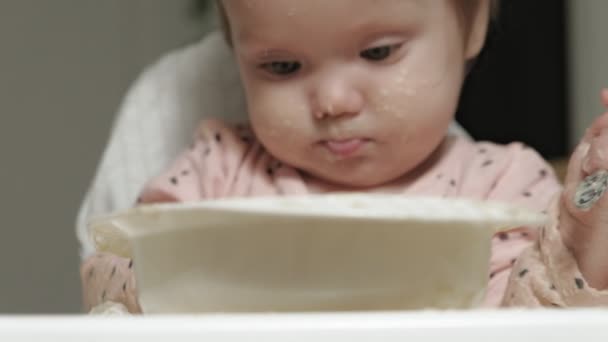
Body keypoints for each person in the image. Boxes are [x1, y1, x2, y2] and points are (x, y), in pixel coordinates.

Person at [80, 0, 608, 314]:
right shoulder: (217, 169)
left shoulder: (505, 187)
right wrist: (185, 280)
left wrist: (583, 233)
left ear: (469, 28)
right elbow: (107, 274)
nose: (333, 102)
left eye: (378, 52)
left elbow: (539, 320)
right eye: (283, 66)